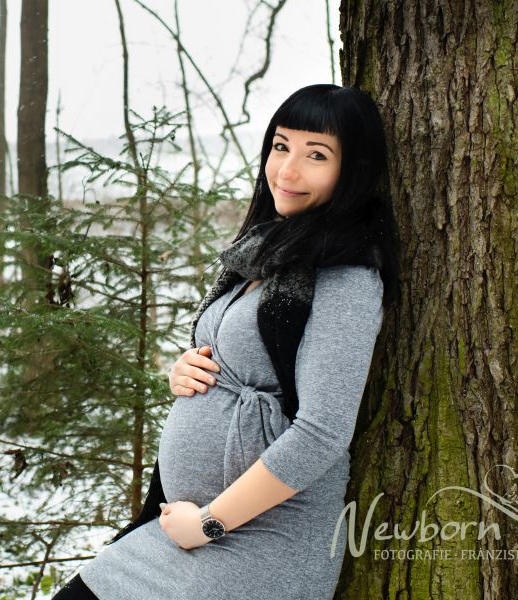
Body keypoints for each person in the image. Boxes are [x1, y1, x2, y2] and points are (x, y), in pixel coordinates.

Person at [53, 83, 400, 600]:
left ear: (353, 171)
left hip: (260, 544)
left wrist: (210, 523)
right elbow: (243, 352)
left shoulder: (346, 275)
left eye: (317, 155)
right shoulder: (267, 252)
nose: (287, 171)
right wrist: (189, 369)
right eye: (281, 146)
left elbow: (323, 433)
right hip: (179, 534)